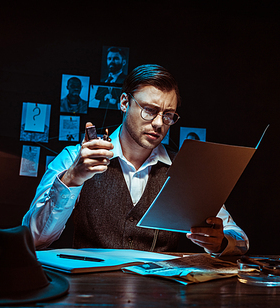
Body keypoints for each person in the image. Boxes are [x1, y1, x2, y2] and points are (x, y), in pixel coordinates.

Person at [22, 64, 248, 256]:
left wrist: (220, 243)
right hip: (90, 296)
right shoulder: (74, 158)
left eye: (168, 115)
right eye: (149, 110)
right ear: (123, 102)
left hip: (160, 298)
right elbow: (34, 239)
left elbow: (240, 239)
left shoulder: (185, 169)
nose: (159, 123)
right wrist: (72, 178)